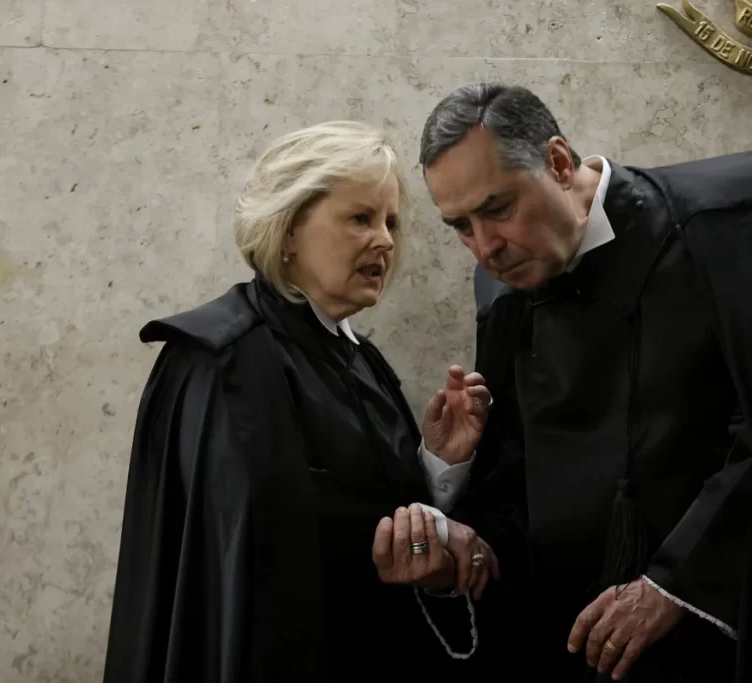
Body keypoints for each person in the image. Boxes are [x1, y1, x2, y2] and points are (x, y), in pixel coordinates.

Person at [416, 83, 752, 682]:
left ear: (559, 162)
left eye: (498, 209)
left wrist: (676, 585)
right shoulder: (500, 291)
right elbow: (516, 484)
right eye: (460, 226)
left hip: (730, 638)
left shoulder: (724, 226)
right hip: (577, 646)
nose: (485, 248)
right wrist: (457, 501)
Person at [102, 121, 502, 682]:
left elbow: (369, 509)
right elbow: (263, 539)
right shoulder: (225, 358)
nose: (385, 241)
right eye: (360, 218)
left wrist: (437, 463)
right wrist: (437, 532)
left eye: (390, 222)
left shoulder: (360, 357)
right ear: (288, 230)